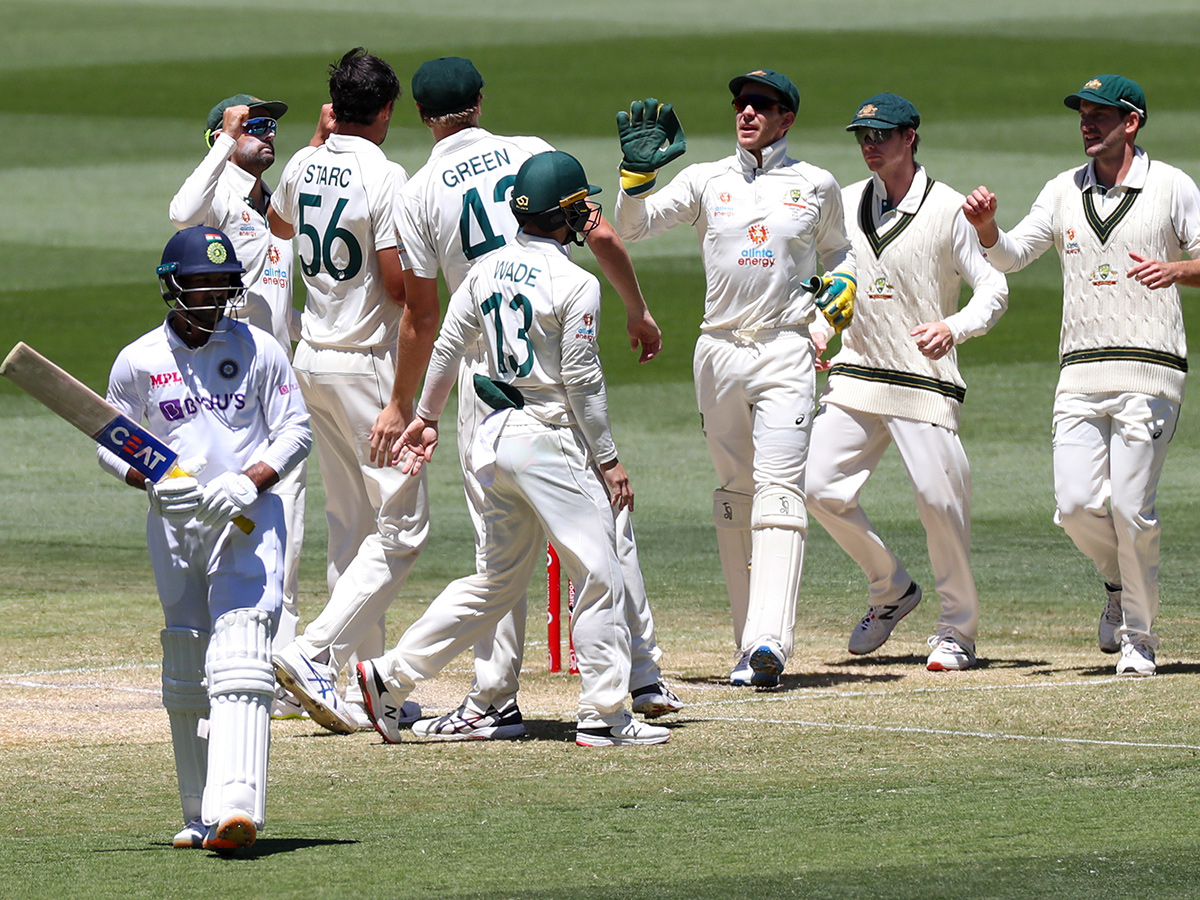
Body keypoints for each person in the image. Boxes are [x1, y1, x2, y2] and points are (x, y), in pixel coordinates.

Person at [390, 56, 680, 740]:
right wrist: (637, 309)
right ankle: (639, 677)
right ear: (481, 101)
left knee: (499, 554)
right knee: (601, 528)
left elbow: (423, 317)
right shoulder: (533, 153)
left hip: (483, 371)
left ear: (423, 117)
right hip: (557, 355)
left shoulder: (418, 188)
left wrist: (413, 409)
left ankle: (493, 698)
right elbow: (600, 233)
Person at [612, 70, 856, 686]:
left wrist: (844, 286)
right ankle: (746, 644)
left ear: (787, 119)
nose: (746, 111)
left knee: (779, 490)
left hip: (785, 349)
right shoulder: (705, 179)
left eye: (762, 104)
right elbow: (632, 228)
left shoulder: (815, 184)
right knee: (734, 494)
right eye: (741, 103)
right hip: (717, 350)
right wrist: (636, 178)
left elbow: (840, 252)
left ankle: (770, 641)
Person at [963, 74, 1200, 676]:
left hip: (1151, 369)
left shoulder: (1172, 184)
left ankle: (1139, 640)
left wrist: (1175, 269)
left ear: (1132, 122)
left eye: (1101, 114)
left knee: (1131, 508)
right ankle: (1119, 582)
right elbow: (1012, 255)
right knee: (1073, 505)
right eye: (1083, 114)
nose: (1087, 124)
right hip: (1079, 372)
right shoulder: (1062, 189)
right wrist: (989, 227)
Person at [98, 225, 312, 852]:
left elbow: (295, 429)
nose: (214, 298)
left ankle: (237, 807)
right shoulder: (138, 360)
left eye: (223, 286)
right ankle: (197, 815)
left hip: (246, 521)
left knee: (242, 648)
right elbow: (110, 442)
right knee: (188, 661)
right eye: (201, 285)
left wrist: (251, 481)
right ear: (173, 287)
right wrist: (149, 481)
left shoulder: (260, 348)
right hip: (175, 523)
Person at [806, 93, 1008, 671]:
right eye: (863, 137)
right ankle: (890, 586)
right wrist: (820, 329)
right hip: (858, 373)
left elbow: (994, 290)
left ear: (911, 136)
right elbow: (831, 287)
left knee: (940, 500)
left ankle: (958, 631)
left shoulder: (948, 209)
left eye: (882, 135)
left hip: (924, 379)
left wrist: (954, 326)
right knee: (817, 486)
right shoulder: (843, 203)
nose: (871, 146)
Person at [267, 48, 428, 730]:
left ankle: (357, 683)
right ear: (386, 111)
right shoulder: (386, 175)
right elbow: (397, 285)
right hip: (365, 368)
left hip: (312, 361)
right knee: (404, 528)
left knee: (351, 528)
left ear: (335, 105)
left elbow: (278, 226)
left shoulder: (304, 162)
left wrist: (315, 144)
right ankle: (314, 658)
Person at [168, 93, 311, 717]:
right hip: (225, 387)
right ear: (221, 135)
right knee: (234, 529)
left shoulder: (270, 201)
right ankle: (243, 664)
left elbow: (278, 296)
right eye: (253, 125)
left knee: (288, 535)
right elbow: (180, 213)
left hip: (272, 382)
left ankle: (269, 662)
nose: (266, 133)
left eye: (269, 125)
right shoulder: (220, 191)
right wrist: (226, 143)